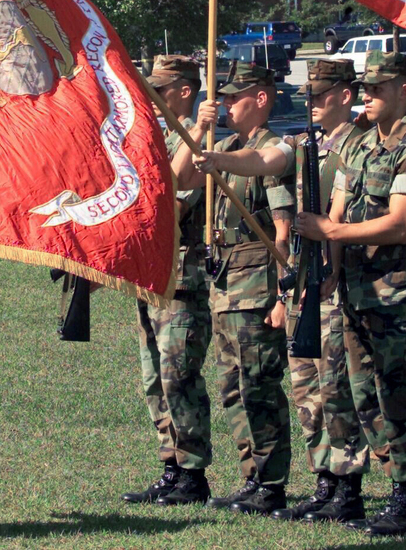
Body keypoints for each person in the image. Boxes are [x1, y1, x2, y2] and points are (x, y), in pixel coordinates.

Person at [195, 58, 372, 524]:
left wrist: (277, 292)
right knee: (307, 389)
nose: (310, 102)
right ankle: (324, 483)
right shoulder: (302, 144)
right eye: (308, 95)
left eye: (318, 95)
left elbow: (272, 194)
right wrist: (216, 155)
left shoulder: (355, 145)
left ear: (345, 95)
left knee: (336, 389)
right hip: (305, 281)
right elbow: (262, 164)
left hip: (341, 279)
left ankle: (346, 485)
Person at [294, 51, 406, 536]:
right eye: (365, 87)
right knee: (363, 398)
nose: (368, 95)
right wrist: (329, 269)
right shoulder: (361, 147)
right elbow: (338, 209)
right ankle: (372, 491)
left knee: (401, 397)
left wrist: (330, 235)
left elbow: (401, 225)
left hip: (398, 295)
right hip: (357, 293)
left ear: (405, 89)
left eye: (378, 88)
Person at [172, 62, 295, 516]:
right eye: (220, 98)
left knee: (258, 384)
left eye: (232, 98)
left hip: (257, 284)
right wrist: (200, 133)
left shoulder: (274, 147)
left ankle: (270, 481)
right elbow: (179, 180)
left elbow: (282, 230)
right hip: (224, 283)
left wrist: (284, 295)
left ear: (260, 99)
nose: (224, 104)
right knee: (233, 386)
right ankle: (252, 477)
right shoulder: (223, 145)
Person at [122, 56, 213, 506]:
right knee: (153, 380)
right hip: (150, 276)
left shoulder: (200, 138)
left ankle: (194, 473)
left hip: (183, 280)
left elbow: (172, 200)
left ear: (184, 91)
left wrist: (194, 134)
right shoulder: (154, 138)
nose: (153, 98)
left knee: (179, 378)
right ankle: (171, 466)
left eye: (161, 89)